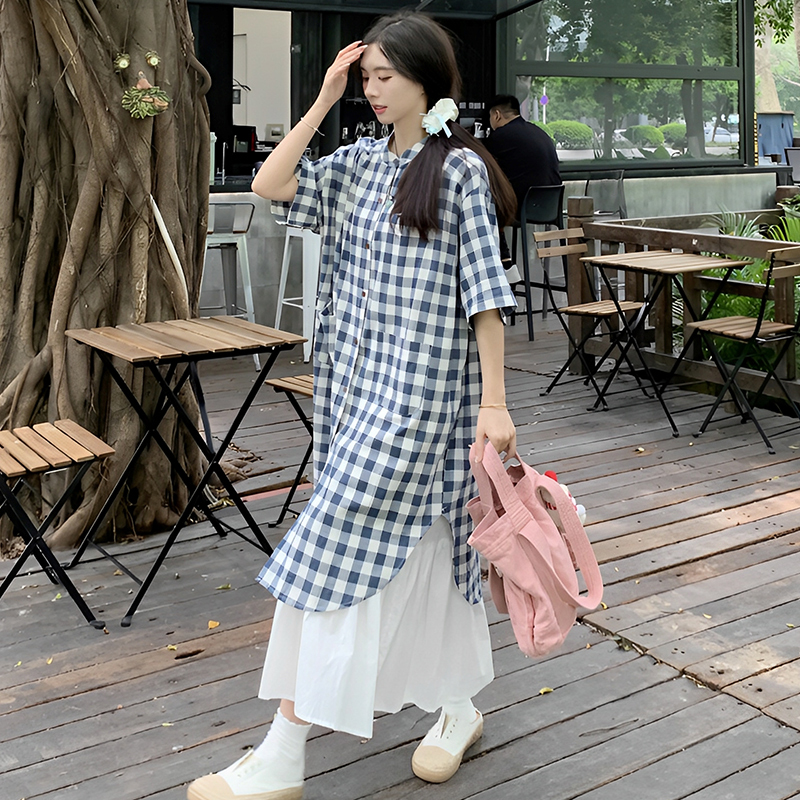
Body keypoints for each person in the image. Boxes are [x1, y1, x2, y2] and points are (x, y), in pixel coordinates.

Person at [187, 12, 517, 800]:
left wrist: (496, 403)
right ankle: (457, 706)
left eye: (385, 77)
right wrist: (323, 97)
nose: (373, 90)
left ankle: (284, 751)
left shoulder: (460, 172)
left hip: (425, 400)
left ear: (425, 82)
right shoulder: (360, 163)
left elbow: (485, 297)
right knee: (429, 544)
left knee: (332, 545)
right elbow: (270, 185)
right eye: (366, 78)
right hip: (354, 394)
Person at [485, 94, 561, 270]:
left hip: (523, 207)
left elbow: (481, 161)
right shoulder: (539, 132)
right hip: (551, 206)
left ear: (496, 115)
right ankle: (505, 262)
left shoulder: (501, 136)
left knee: (485, 204)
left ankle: (502, 263)